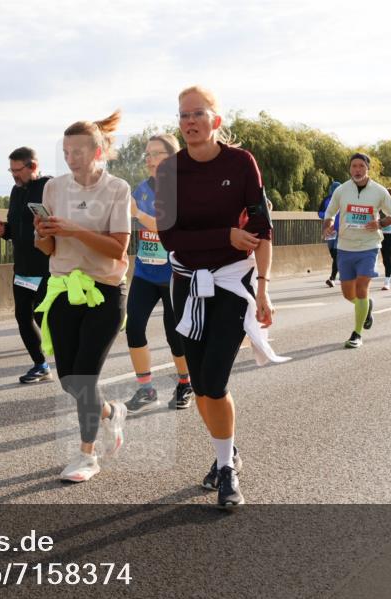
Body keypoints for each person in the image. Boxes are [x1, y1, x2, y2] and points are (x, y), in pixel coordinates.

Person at [157, 86, 289, 507]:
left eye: (197, 114)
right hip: (187, 283)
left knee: (215, 380)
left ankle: (228, 470)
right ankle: (224, 451)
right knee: (199, 385)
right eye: (182, 116)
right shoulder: (169, 171)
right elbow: (169, 236)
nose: (189, 122)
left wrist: (263, 288)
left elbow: (263, 225)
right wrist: (225, 235)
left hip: (232, 282)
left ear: (216, 119)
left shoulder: (241, 162)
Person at [34, 110, 130, 483]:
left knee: (85, 377)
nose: (70, 157)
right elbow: (46, 247)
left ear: (97, 152)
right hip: (61, 288)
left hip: (103, 291)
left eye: (77, 151)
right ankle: (110, 411)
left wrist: (73, 229)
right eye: (65, 151)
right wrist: (42, 231)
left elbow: (118, 249)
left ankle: (87, 456)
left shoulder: (117, 189)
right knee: (68, 380)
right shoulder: (53, 188)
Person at [123, 133, 193, 413]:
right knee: (134, 326)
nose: (150, 160)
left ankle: (185, 383)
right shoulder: (140, 189)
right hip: (144, 272)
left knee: (173, 333)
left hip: (174, 274)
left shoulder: (183, 190)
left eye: (156, 154)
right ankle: (146, 388)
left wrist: (138, 213)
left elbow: (168, 228)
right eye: (147, 155)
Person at [321, 153, 391, 349]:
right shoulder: (342, 190)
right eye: (354, 166)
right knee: (349, 294)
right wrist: (328, 225)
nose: (357, 170)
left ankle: (357, 334)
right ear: (350, 169)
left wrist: (380, 223)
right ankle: (366, 307)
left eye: (361, 166)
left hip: (369, 246)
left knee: (362, 288)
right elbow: (330, 213)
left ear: (368, 169)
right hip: (345, 247)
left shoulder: (379, 191)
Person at [0, 147, 53, 383]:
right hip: (22, 266)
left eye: (17, 170)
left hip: (46, 264)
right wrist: (5, 231)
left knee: (43, 315)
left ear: (33, 167)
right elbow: (15, 225)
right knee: (22, 315)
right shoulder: (15, 190)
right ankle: (40, 364)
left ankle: (72, 354)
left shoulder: (49, 187)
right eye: (11, 170)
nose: (14, 175)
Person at [319, 181, 341, 288]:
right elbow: (319, 212)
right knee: (333, 253)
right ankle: (341, 269)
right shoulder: (326, 199)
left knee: (337, 254)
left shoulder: (344, 199)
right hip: (330, 230)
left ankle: (332, 278)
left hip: (341, 230)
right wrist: (327, 214)